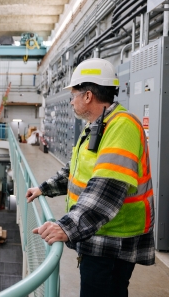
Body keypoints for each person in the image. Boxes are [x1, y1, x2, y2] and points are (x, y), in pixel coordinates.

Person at [26, 58, 155, 297]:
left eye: (74, 94)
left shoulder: (122, 126)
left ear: (87, 96)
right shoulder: (98, 126)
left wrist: (66, 227)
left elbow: (107, 189)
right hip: (98, 233)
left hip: (113, 240)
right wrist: (44, 188)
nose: (71, 101)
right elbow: (76, 170)